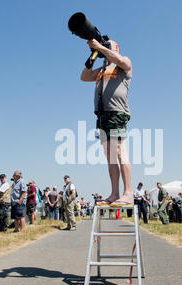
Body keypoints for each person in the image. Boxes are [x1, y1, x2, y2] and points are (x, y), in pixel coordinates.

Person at [80, 39, 133, 206]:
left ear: (117, 48)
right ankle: (115, 193)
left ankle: (127, 193)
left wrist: (100, 46)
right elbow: (84, 76)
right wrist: (94, 54)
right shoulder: (102, 70)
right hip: (102, 117)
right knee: (110, 156)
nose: (106, 48)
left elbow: (120, 60)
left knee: (119, 151)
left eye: (109, 45)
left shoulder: (123, 63)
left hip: (117, 113)